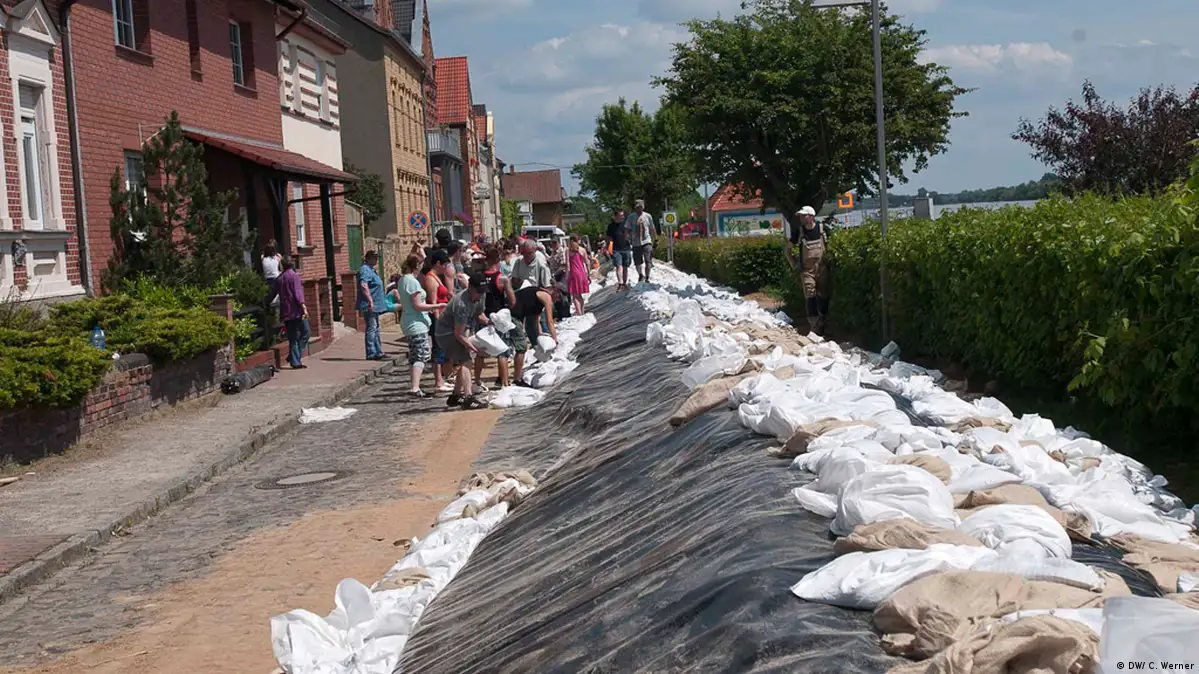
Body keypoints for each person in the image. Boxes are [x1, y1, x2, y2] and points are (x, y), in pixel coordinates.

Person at [435, 273, 490, 409]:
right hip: (446, 334)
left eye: (482, 292)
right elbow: (458, 334)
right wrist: (476, 350)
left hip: (460, 331)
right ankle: (468, 397)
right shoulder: (461, 304)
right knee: (466, 361)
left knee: (464, 360)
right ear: (470, 288)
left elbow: (479, 314)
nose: (480, 295)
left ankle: (455, 397)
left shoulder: (481, 296)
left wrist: (490, 321)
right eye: (478, 292)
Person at [473, 245, 525, 389]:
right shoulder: (502, 278)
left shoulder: (479, 277)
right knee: (502, 351)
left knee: (480, 351)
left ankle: (477, 381)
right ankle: (504, 383)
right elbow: (512, 300)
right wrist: (508, 309)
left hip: (482, 316)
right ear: (498, 259)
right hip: (498, 317)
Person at [399, 254, 447, 398]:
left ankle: (415, 386)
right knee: (421, 355)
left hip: (410, 321)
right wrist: (436, 306)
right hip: (416, 323)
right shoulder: (412, 282)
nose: (422, 267)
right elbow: (417, 305)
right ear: (417, 265)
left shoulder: (403, 280)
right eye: (421, 264)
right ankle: (415, 388)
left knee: (415, 355)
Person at [784, 205, 833, 334]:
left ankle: (823, 319)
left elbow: (832, 245)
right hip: (807, 270)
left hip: (822, 268)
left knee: (824, 294)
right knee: (810, 295)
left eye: (803, 215)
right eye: (800, 216)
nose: (801, 218)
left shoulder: (823, 230)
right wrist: (794, 264)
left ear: (811, 216)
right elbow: (787, 250)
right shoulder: (799, 232)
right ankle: (814, 326)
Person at [422, 249, 454, 392]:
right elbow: (433, 302)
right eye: (444, 264)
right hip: (438, 317)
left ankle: (442, 378)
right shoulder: (430, 278)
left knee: (442, 348)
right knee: (438, 348)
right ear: (438, 263)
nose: (446, 267)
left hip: (443, 316)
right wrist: (438, 320)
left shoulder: (436, 277)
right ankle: (438, 382)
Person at [273, 257, 309, 369]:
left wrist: (265, 302)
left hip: (286, 311)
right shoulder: (294, 277)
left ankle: (294, 357)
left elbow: (273, 293)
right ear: (292, 264)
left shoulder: (279, 279)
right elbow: (298, 294)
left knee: (293, 337)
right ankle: (295, 359)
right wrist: (304, 307)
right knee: (306, 333)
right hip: (297, 311)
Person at [357, 250, 388, 360]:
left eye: (377, 258)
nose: (376, 260)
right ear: (369, 258)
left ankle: (378, 351)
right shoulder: (365, 269)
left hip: (375, 304)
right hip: (370, 304)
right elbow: (363, 284)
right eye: (374, 258)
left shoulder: (371, 269)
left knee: (376, 328)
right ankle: (371, 353)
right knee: (372, 328)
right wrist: (370, 300)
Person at [627, 199, 657, 284]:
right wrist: (627, 238)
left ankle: (647, 277)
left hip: (646, 241)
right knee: (637, 262)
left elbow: (652, 228)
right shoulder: (631, 217)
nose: (639, 209)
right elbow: (627, 228)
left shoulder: (648, 216)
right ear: (635, 208)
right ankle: (640, 274)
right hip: (636, 242)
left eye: (640, 207)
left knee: (648, 260)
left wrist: (656, 239)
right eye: (637, 207)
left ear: (643, 207)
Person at [606, 208, 632, 290]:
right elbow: (609, 238)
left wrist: (629, 238)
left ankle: (624, 283)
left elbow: (630, 233)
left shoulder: (626, 224)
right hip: (616, 249)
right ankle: (620, 283)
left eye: (623, 215)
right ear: (616, 216)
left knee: (625, 267)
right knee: (619, 266)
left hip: (626, 248)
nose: (622, 217)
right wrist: (609, 248)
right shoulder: (611, 226)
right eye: (620, 215)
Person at [566, 234, 590, 317]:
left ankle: (579, 314)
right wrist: (588, 274)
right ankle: (582, 312)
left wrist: (567, 276)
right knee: (579, 295)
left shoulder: (568, 250)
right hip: (582, 274)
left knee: (575, 296)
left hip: (574, 274)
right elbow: (587, 262)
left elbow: (568, 265)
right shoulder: (582, 250)